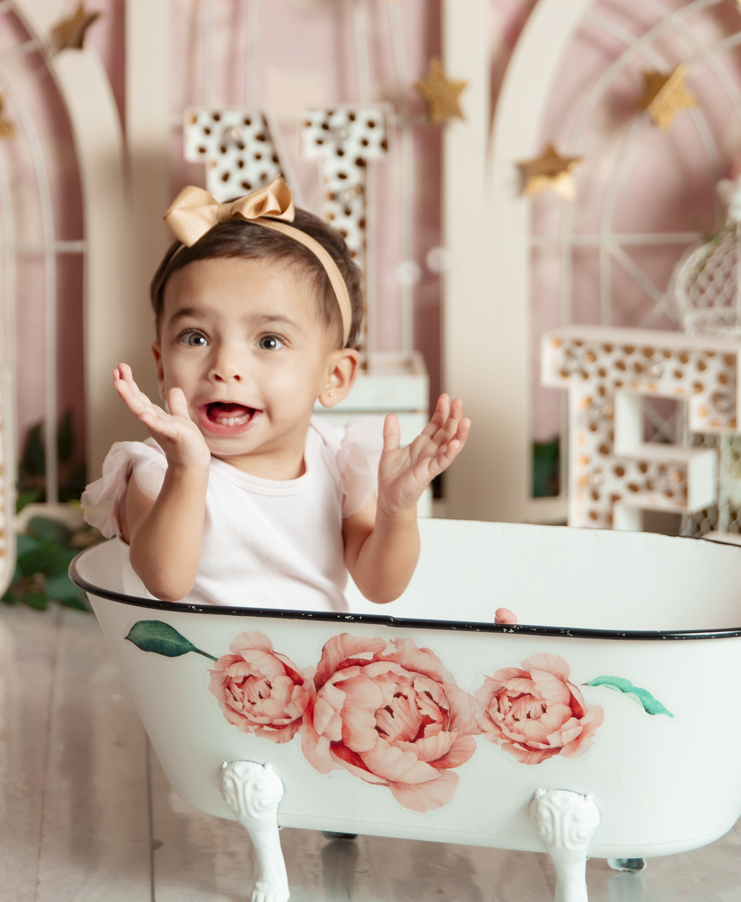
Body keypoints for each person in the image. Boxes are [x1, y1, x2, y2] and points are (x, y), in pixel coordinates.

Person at [81, 178, 469, 612]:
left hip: (316, 671)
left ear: (335, 376)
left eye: (268, 341)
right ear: (160, 365)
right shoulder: (158, 470)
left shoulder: (338, 459)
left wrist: (397, 511)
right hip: (198, 675)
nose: (225, 366)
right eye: (195, 338)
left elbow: (380, 586)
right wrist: (189, 469)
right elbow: (166, 581)